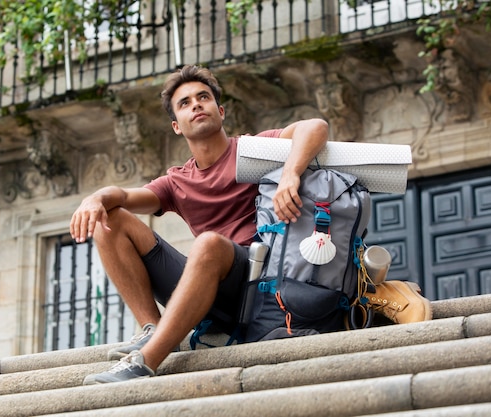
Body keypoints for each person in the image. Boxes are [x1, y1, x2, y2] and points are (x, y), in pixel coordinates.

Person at [69, 65, 429, 385]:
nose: (196, 104)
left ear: (220, 111)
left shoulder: (252, 149)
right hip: (206, 287)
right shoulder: (177, 181)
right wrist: (95, 198)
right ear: (177, 126)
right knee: (110, 219)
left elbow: (314, 126)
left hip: (259, 282)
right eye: (185, 102)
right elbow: (123, 197)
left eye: (203, 97)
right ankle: (153, 330)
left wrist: (291, 172)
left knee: (209, 243)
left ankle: (144, 363)